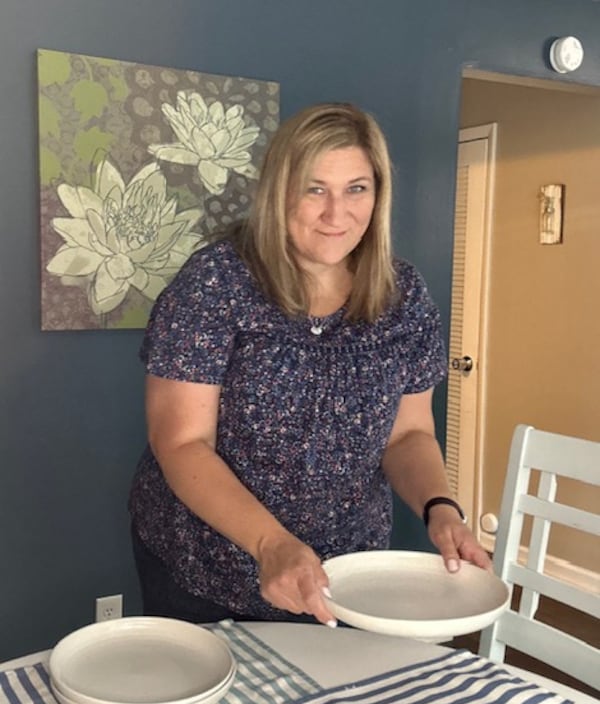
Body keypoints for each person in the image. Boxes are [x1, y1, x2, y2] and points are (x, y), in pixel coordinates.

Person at [128, 101, 491, 629]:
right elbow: (181, 443)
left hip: (344, 570)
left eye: (356, 189)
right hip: (204, 561)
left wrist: (440, 506)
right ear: (280, 191)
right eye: (314, 188)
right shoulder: (215, 283)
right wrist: (271, 543)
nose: (336, 213)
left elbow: (408, 435)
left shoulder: (403, 295)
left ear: (378, 193)